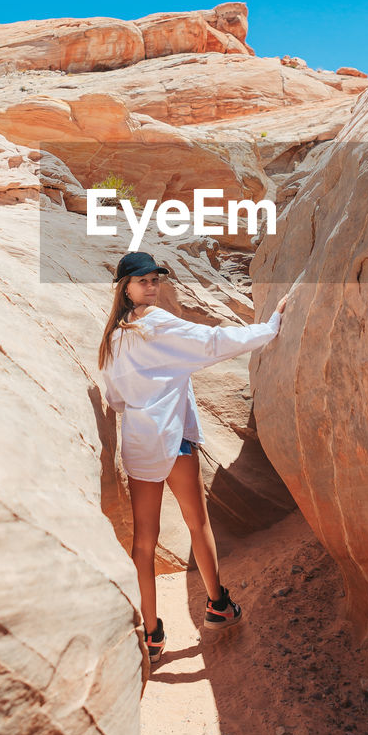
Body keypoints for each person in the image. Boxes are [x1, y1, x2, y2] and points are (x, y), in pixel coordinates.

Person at [97, 250, 289, 667]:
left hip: (140, 443)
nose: (151, 286)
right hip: (174, 438)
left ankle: (151, 634)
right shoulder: (158, 323)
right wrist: (270, 327)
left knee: (143, 542)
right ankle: (218, 604)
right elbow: (212, 342)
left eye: (154, 279)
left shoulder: (113, 339)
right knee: (196, 522)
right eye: (143, 280)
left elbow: (114, 398)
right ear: (125, 289)